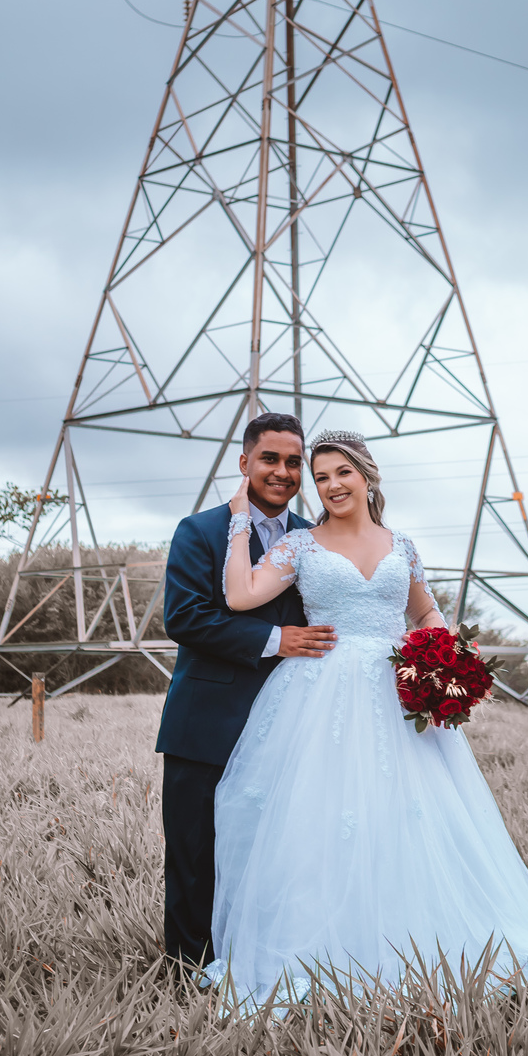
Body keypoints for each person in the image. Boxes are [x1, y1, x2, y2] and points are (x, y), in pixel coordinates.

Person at [211, 427, 528, 1004]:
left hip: (398, 694)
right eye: (320, 477)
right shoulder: (301, 545)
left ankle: (426, 939)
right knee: (326, 816)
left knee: (413, 817)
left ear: (367, 476)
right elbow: (241, 596)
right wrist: (240, 519)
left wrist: (446, 658)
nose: (331, 485)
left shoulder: (403, 544)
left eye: (342, 472)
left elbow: (425, 609)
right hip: (322, 692)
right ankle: (328, 949)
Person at [157, 412, 336, 971]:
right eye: (269, 459)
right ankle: (188, 969)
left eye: (292, 463)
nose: (282, 472)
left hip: (291, 723)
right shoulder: (199, 531)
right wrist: (274, 639)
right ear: (244, 463)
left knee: (276, 852)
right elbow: (184, 617)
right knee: (194, 851)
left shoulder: (316, 540)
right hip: (207, 720)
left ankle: (255, 960)